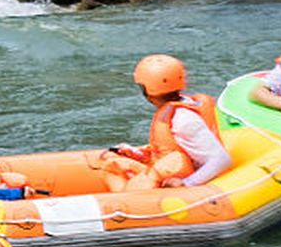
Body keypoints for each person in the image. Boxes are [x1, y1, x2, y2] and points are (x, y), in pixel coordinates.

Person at [98, 55, 232, 191]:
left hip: (186, 177)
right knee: (111, 162)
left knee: (128, 177)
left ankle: (123, 204)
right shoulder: (177, 110)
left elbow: (221, 160)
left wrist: (187, 183)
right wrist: (138, 153)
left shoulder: (183, 120)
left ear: (147, 91)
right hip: (172, 170)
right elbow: (171, 148)